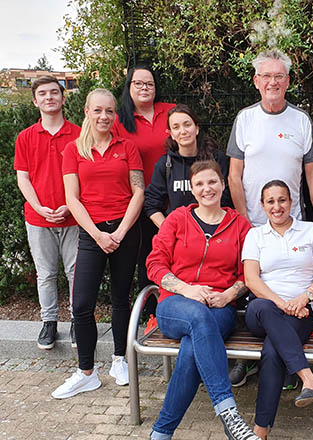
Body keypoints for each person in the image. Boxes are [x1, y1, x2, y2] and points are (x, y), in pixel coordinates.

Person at [226, 48, 313, 385]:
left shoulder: (300, 120)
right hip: (253, 226)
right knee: (254, 297)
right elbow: (233, 175)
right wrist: (243, 220)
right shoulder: (244, 119)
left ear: (288, 81)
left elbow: (312, 175)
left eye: (278, 76)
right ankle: (256, 360)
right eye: (266, 76)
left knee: (276, 298)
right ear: (256, 81)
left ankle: (275, 361)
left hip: (291, 225)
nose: (272, 81)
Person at [145, 160, 258, 440]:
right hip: (176, 305)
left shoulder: (240, 226)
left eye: (212, 182)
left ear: (222, 185)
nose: (206, 188)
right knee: (197, 317)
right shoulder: (177, 219)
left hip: (220, 306)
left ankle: (161, 433)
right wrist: (186, 289)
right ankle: (229, 413)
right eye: (199, 184)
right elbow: (155, 264)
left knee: (190, 348)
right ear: (192, 190)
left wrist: (229, 294)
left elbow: (250, 273)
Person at [52, 88, 144, 399]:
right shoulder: (73, 150)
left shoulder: (127, 147)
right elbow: (72, 199)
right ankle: (86, 372)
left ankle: (120, 360)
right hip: (92, 234)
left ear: (115, 114)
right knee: (81, 305)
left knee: (121, 298)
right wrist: (98, 234)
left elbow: (138, 193)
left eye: (109, 111)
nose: (104, 116)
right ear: (87, 113)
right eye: (98, 111)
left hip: (125, 232)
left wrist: (118, 233)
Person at [242, 180, 313, 439]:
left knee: (272, 351)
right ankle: (309, 379)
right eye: (270, 201)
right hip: (263, 312)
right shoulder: (255, 235)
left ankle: (260, 431)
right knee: (262, 306)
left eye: (282, 200)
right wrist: (285, 305)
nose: (276, 206)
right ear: (262, 205)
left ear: (291, 202)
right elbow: (252, 280)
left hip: (301, 312)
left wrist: (305, 298)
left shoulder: (310, 230)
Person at [14, 76, 80, 350]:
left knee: (77, 272)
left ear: (64, 98)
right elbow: (23, 178)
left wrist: (71, 203)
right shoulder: (26, 137)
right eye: (43, 93)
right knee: (46, 274)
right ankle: (49, 323)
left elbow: (86, 176)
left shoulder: (79, 134)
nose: (49, 97)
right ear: (35, 101)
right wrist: (39, 207)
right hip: (38, 218)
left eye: (54, 92)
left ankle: (79, 320)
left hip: (74, 216)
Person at [112, 66, 176, 303]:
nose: (144, 88)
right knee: (147, 258)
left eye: (149, 83)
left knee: (178, 256)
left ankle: (174, 307)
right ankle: (150, 313)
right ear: (128, 87)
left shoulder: (170, 111)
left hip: (176, 199)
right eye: (138, 83)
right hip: (139, 204)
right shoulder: (119, 121)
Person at [144, 104, 231, 228]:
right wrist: (169, 230)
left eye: (187, 125)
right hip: (180, 234)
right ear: (171, 134)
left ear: (196, 128)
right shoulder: (165, 164)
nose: (183, 131)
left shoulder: (216, 159)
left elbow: (227, 198)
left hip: (214, 231)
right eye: (176, 127)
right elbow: (151, 204)